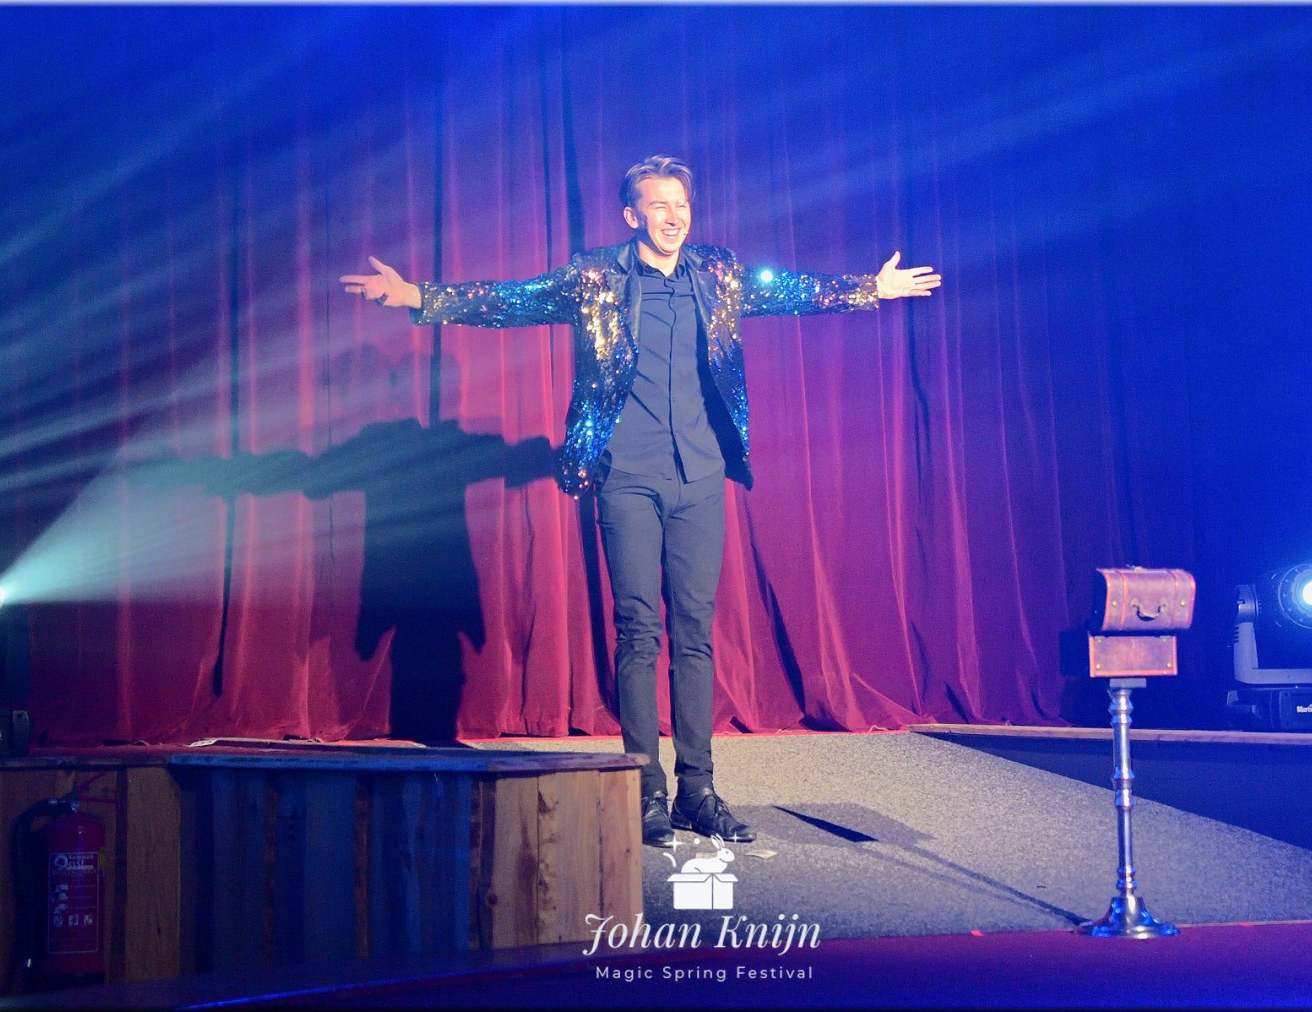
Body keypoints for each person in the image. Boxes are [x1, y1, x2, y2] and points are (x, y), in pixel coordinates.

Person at [342, 155, 940, 846]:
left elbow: (790, 291)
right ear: (633, 215)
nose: (673, 216)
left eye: (680, 204)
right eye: (659, 205)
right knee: (637, 630)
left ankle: (698, 790)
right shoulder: (596, 277)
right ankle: (643, 788)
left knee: (695, 629)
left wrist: (871, 288)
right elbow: (512, 300)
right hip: (626, 473)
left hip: (700, 474)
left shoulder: (716, 272)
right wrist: (417, 296)